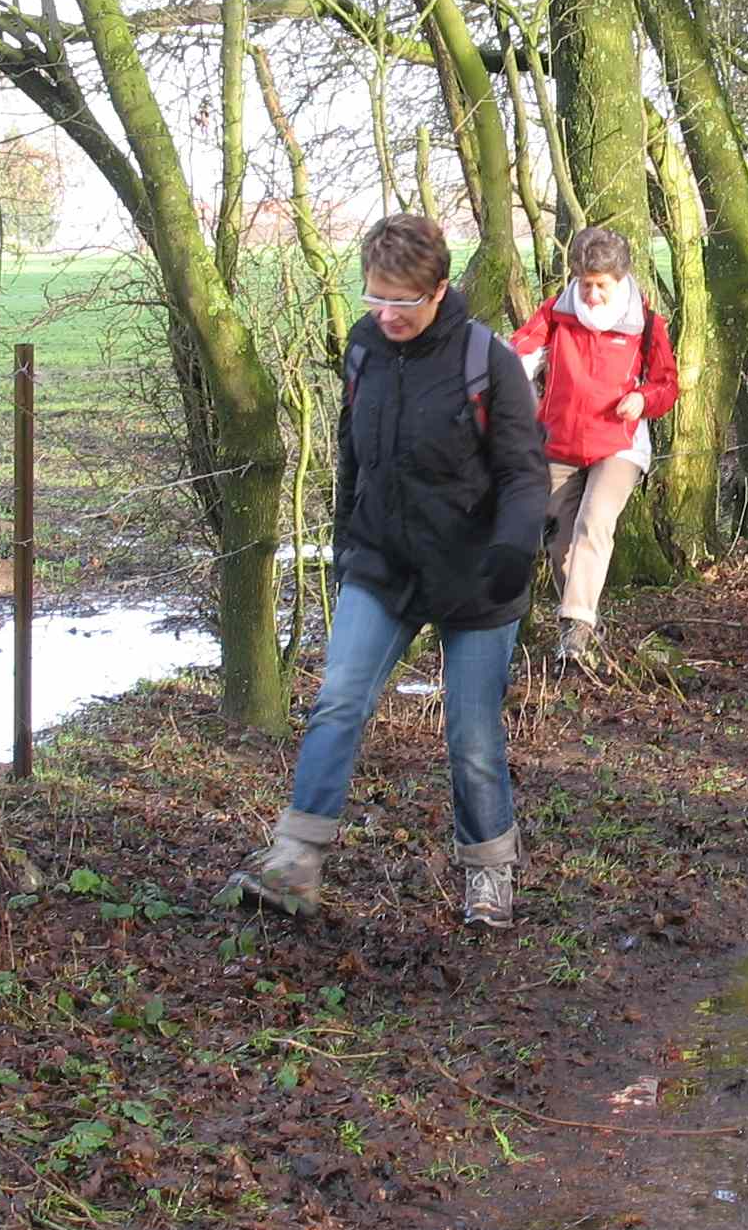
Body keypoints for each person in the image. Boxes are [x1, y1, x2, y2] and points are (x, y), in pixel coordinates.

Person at [222, 215, 546, 929]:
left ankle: (489, 873)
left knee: (470, 735)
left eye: (403, 301)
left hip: (478, 573)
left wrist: (515, 547)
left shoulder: (485, 360)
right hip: (382, 563)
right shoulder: (363, 350)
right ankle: (296, 862)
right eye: (376, 298)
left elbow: (525, 473)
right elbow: (352, 456)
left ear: (437, 291)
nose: (387, 315)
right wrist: (345, 549)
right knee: (337, 698)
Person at [509, 227, 680, 667]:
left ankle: (575, 632)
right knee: (559, 539)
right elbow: (516, 354)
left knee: (594, 523)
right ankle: (586, 625)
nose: (592, 294)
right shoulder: (555, 314)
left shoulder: (646, 324)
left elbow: (667, 385)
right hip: (559, 440)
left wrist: (643, 399)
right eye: (585, 283)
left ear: (620, 280)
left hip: (619, 444)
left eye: (601, 284)